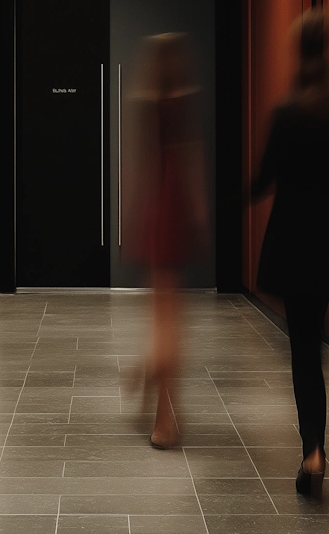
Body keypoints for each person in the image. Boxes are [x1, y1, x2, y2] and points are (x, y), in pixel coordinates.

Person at [250, 8, 329, 497]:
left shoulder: (284, 110)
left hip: (293, 238)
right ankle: (315, 447)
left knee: (303, 352)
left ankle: (313, 452)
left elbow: (263, 181)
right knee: (313, 341)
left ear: (298, 52)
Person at [125, 33, 208, 449]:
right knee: (170, 318)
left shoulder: (147, 101)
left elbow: (142, 161)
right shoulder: (178, 100)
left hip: (159, 206)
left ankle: (151, 383)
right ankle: (164, 413)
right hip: (170, 205)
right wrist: (197, 208)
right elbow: (188, 157)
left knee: (164, 316)